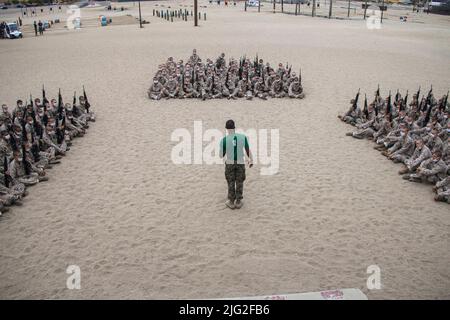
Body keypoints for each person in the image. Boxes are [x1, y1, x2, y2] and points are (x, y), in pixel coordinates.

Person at [219, 120, 253, 210]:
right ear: (234, 127)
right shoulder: (242, 137)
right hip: (240, 162)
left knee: (230, 181)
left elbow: (221, 155)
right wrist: (251, 160)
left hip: (230, 162)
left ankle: (231, 201)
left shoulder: (224, 140)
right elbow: (247, 150)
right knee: (239, 181)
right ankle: (238, 201)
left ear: (226, 129)